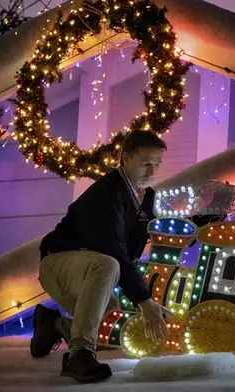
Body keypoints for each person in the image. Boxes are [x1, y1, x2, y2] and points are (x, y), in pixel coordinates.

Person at [30, 130, 173, 383]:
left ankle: (53, 325)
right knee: (108, 263)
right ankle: (79, 355)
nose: (152, 171)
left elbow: (162, 229)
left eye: (157, 164)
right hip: (60, 263)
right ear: (125, 159)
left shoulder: (146, 196)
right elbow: (113, 249)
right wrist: (145, 301)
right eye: (145, 163)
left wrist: (205, 222)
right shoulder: (106, 193)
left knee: (110, 326)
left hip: (96, 268)